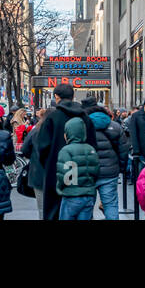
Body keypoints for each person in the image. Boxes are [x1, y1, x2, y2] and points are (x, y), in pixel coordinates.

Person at [32, 83, 98, 220]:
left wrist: (49, 165)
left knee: (54, 212)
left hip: (54, 173)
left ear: (56, 97)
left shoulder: (52, 118)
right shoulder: (85, 118)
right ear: (72, 96)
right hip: (82, 175)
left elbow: (42, 147)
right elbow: (93, 146)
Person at [85, 98, 129, 219]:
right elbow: (123, 150)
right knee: (110, 205)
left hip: (89, 172)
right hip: (110, 172)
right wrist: (120, 167)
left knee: (87, 206)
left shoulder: (84, 126)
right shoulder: (115, 127)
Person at [55, 117, 100, 220]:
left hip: (71, 195)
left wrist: (59, 188)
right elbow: (96, 172)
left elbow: (65, 176)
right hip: (88, 195)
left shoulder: (66, 151)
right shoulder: (91, 149)